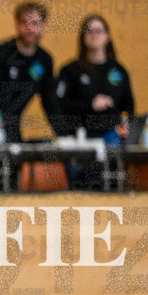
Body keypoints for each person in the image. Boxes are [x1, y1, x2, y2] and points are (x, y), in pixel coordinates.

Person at [56, 14, 135, 189]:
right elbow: (61, 106)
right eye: (89, 31)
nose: (94, 35)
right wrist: (91, 105)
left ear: (107, 36)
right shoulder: (70, 71)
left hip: (110, 135)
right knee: (80, 186)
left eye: (99, 31)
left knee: (110, 183)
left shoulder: (118, 71)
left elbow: (129, 106)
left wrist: (125, 125)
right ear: (83, 37)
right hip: (80, 138)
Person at [0, 0, 59, 143]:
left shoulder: (44, 60)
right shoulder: (0, 53)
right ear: (17, 24)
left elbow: (50, 101)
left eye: (35, 23)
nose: (29, 28)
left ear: (43, 26)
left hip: (13, 121)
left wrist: (62, 134)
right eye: (24, 23)